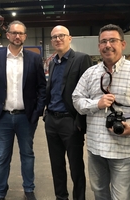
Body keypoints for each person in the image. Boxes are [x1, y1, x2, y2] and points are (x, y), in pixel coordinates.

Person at [72, 24, 130, 200]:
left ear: (123, 44)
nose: (108, 45)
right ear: (99, 46)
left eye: (113, 40)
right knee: (99, 193)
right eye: (103, 41)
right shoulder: (90, 73)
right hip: (96, 148)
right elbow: (77, 100)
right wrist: (97, 103)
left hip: (122, 149)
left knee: (121, 197)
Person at [0, 20, 46, 200]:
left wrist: (37, 111)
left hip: (26, 117)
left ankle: (29, 189)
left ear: (25, 36)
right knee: (1, 157)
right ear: (8, 35)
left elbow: (42, 87)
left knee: (27, 154)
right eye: (14, 33)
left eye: (21, 33)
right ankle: (0, 192)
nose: (17, 36)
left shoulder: (34, 58)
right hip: (1, 117)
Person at [44, 25, 93, 200]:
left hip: (70, 121)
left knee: (76, 167)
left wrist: (80, 122)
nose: (58, 39)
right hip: (51, 121)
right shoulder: (52, 62)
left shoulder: (81, 59)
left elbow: (89, 91)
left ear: (69, 38)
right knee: (56, 166)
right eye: (54, 37)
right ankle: (61, 197)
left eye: (61, 36)